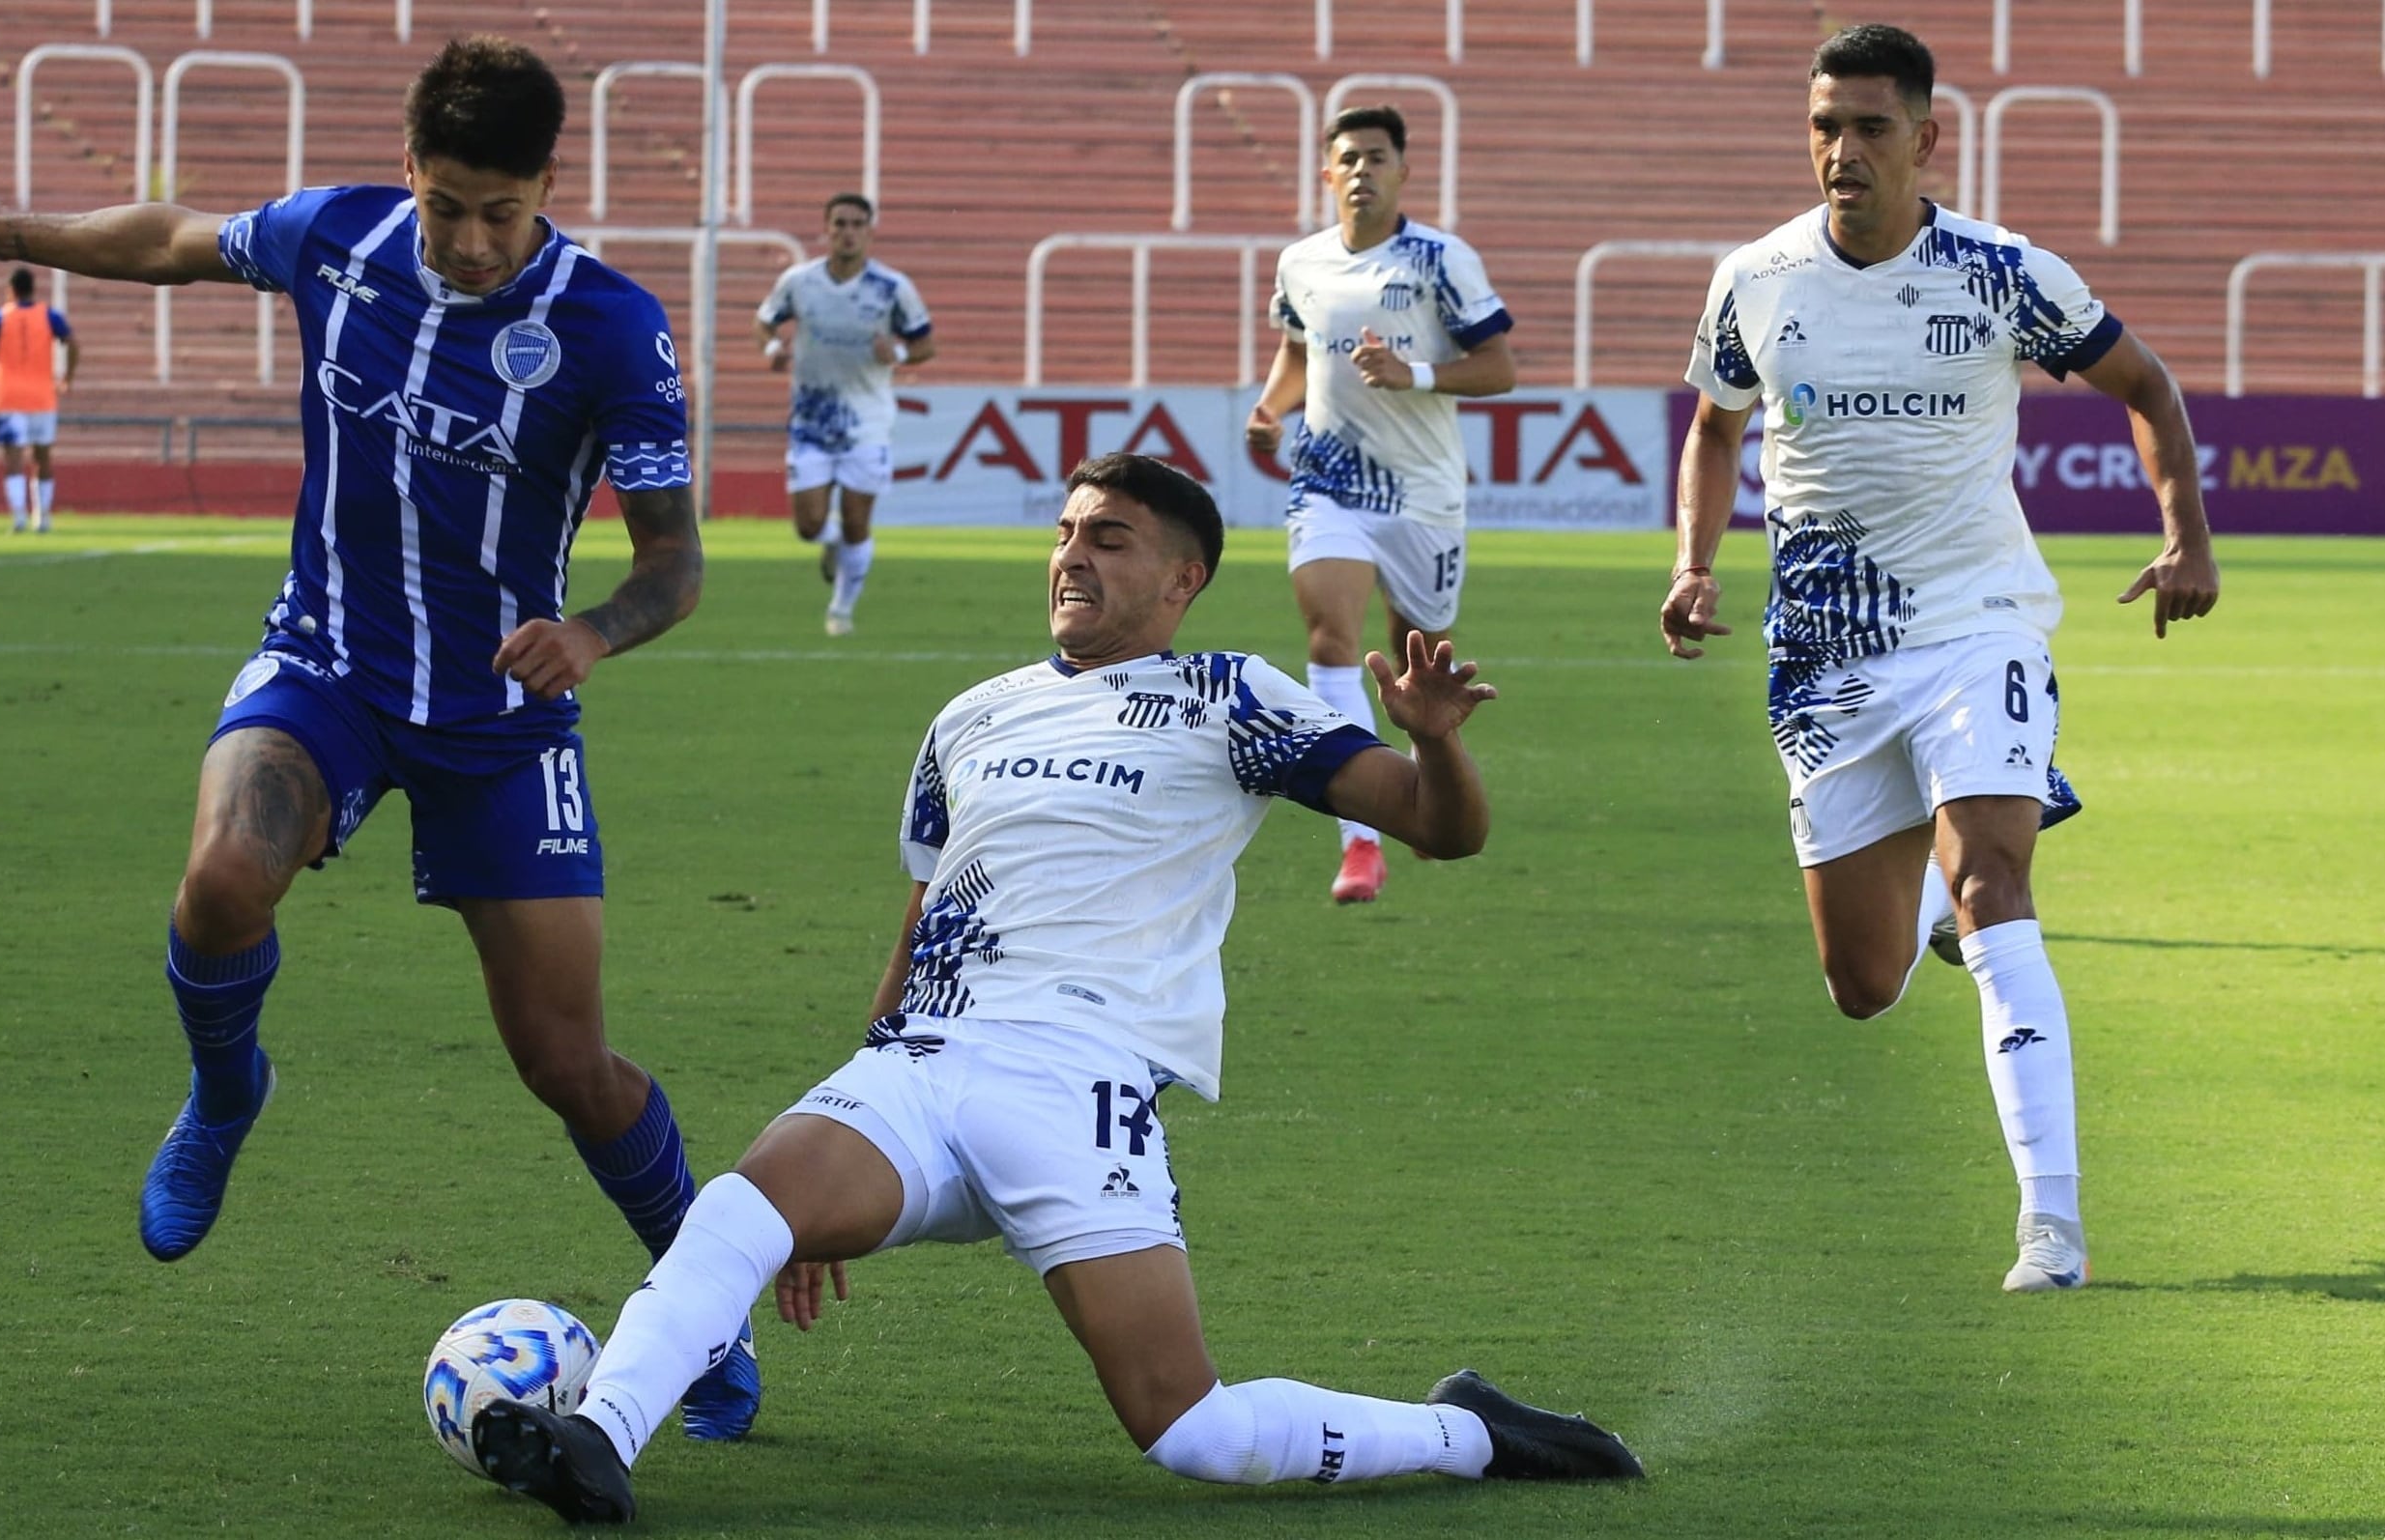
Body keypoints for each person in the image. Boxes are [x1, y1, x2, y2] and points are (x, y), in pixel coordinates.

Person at [470, 454, 1642, 1524]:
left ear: (1183, 579)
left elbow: (1442, 830)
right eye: (1068, 530)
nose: (1074, 553)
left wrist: (1437, 741)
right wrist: (836, 1118)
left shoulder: (1230, 695)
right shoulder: (970, 716)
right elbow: (925, 917)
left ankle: (1468, 1430)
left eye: (1112, 538)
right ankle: (598, 1436)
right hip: (920, 1064)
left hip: (1076, 1081)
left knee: (1193, 1431)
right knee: (741, 1207)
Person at [0, 33, 764, 1440]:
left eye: (501, 210)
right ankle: (224, 1088)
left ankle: (698, 1307)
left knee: (569, 1063)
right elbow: (182, 237)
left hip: (504, 717)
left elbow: (675, 564)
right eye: (448, 205)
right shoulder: (343, 238)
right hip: (330, 665)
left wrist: (595, 632)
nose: (473, 239)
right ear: (411, 174)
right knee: (219, 877)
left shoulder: (613, 326)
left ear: (549, 186)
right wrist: (20, 232)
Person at [1661, 24, 2220, 1292]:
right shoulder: (1755, 277)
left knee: (1995, 887)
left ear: (1927, 136)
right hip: (1824, 657)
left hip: (1978, 624)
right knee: (1862, 984)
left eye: (1866, 125)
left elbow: (2147, 386)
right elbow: (1711, 427)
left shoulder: (1999, 271)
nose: (1839, 150)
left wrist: (2184, 532)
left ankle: (2052, 1224)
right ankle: (1936, 892)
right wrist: (1693, 564)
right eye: (1821, 126)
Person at [1247, 105, 1518, 905]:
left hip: (1423, 495)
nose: (1361, 170)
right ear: (1326, 175)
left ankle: (1433, 798)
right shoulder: (1300, 262)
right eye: (1348, 159)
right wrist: (1269, 411)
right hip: (1327, 480)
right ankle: (1360, 840)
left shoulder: (1439, 259)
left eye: (1376, 157)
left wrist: (1416, 376)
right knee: (1331, 637)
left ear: (1403, 171)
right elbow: (1296, 352)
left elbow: (1498, 366)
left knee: (1417, 669)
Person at [753, 192, 935, 637]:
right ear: (827, 229)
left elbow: (925, 345)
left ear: (870, 232)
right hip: (811, 423)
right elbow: (765, 322)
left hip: (866, 425)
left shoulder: (892, 288)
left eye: (857, 224)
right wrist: (774, 348)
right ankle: (829, 545)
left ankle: (841, 609)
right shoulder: (800, 281)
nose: (848, 232)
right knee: (808, 525)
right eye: (840, 224)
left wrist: (893, 351)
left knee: (857, 521)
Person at [0, 267, 75, 533]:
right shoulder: (49, 315)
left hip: (10, 398)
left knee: (13, 459)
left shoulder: (0, 316)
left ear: (11, 289)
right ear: (33, 288)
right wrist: (67, 376)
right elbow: (72, 342)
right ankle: (43, 518)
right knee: (42, 457)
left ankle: (18, 517)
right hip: (42, 397)